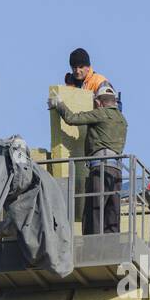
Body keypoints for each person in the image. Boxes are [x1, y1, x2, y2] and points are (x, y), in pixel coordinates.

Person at [48, 83, 127, 235]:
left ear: (99, 102)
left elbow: (71, 118)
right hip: (117, 171)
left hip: (101, 169)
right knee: (112, 212)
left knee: (94, 209)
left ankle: (93, 246)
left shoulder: (101, 113)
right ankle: (112, 245)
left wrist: (59, 104)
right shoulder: (122, 120)